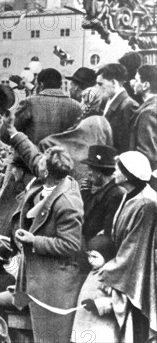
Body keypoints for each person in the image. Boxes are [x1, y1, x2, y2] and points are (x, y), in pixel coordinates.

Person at [0, 114, 84, 343]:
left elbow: (70, 244)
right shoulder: (52, 178)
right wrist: (12, 131)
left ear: (46, 172)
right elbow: (31, 154)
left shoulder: (67, 202)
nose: (38, 164)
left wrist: (33, 241)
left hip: (53, 290)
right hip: (35, 279)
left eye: (42, 164)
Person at [0, 68, 82, 236]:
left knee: (9, 219)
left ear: (40, 84)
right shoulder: (76, 107)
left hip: (26, 170)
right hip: (61, 173)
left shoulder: (30, 102)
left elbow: (6, 135)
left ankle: (5, 247)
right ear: (60, 84)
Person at [99, 151, 157, 342]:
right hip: (128, 271)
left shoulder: (146, 204)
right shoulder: (130, 196)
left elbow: (135, 251)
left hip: (139, 276)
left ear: (127, 174)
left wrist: (106, 270)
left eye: (118, 169)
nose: (114, 172)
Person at [79, 145, 125, 244]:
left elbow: (108, 233)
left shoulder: (114, 195)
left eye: (90, 169)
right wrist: (86, 194)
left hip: (98, 249)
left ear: (99, 172)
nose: (88, 173)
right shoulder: (105, 191)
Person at [97, 63, 138, 154]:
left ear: (113, 83)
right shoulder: (105, 101)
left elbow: (129, 145)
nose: (97, 88)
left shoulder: (129, 106)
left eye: (100, 84)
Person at [129, 64, 157, 169]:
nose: (132, 83)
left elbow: (146, 154)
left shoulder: (148, 112)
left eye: (136, 80)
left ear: (145, 85)